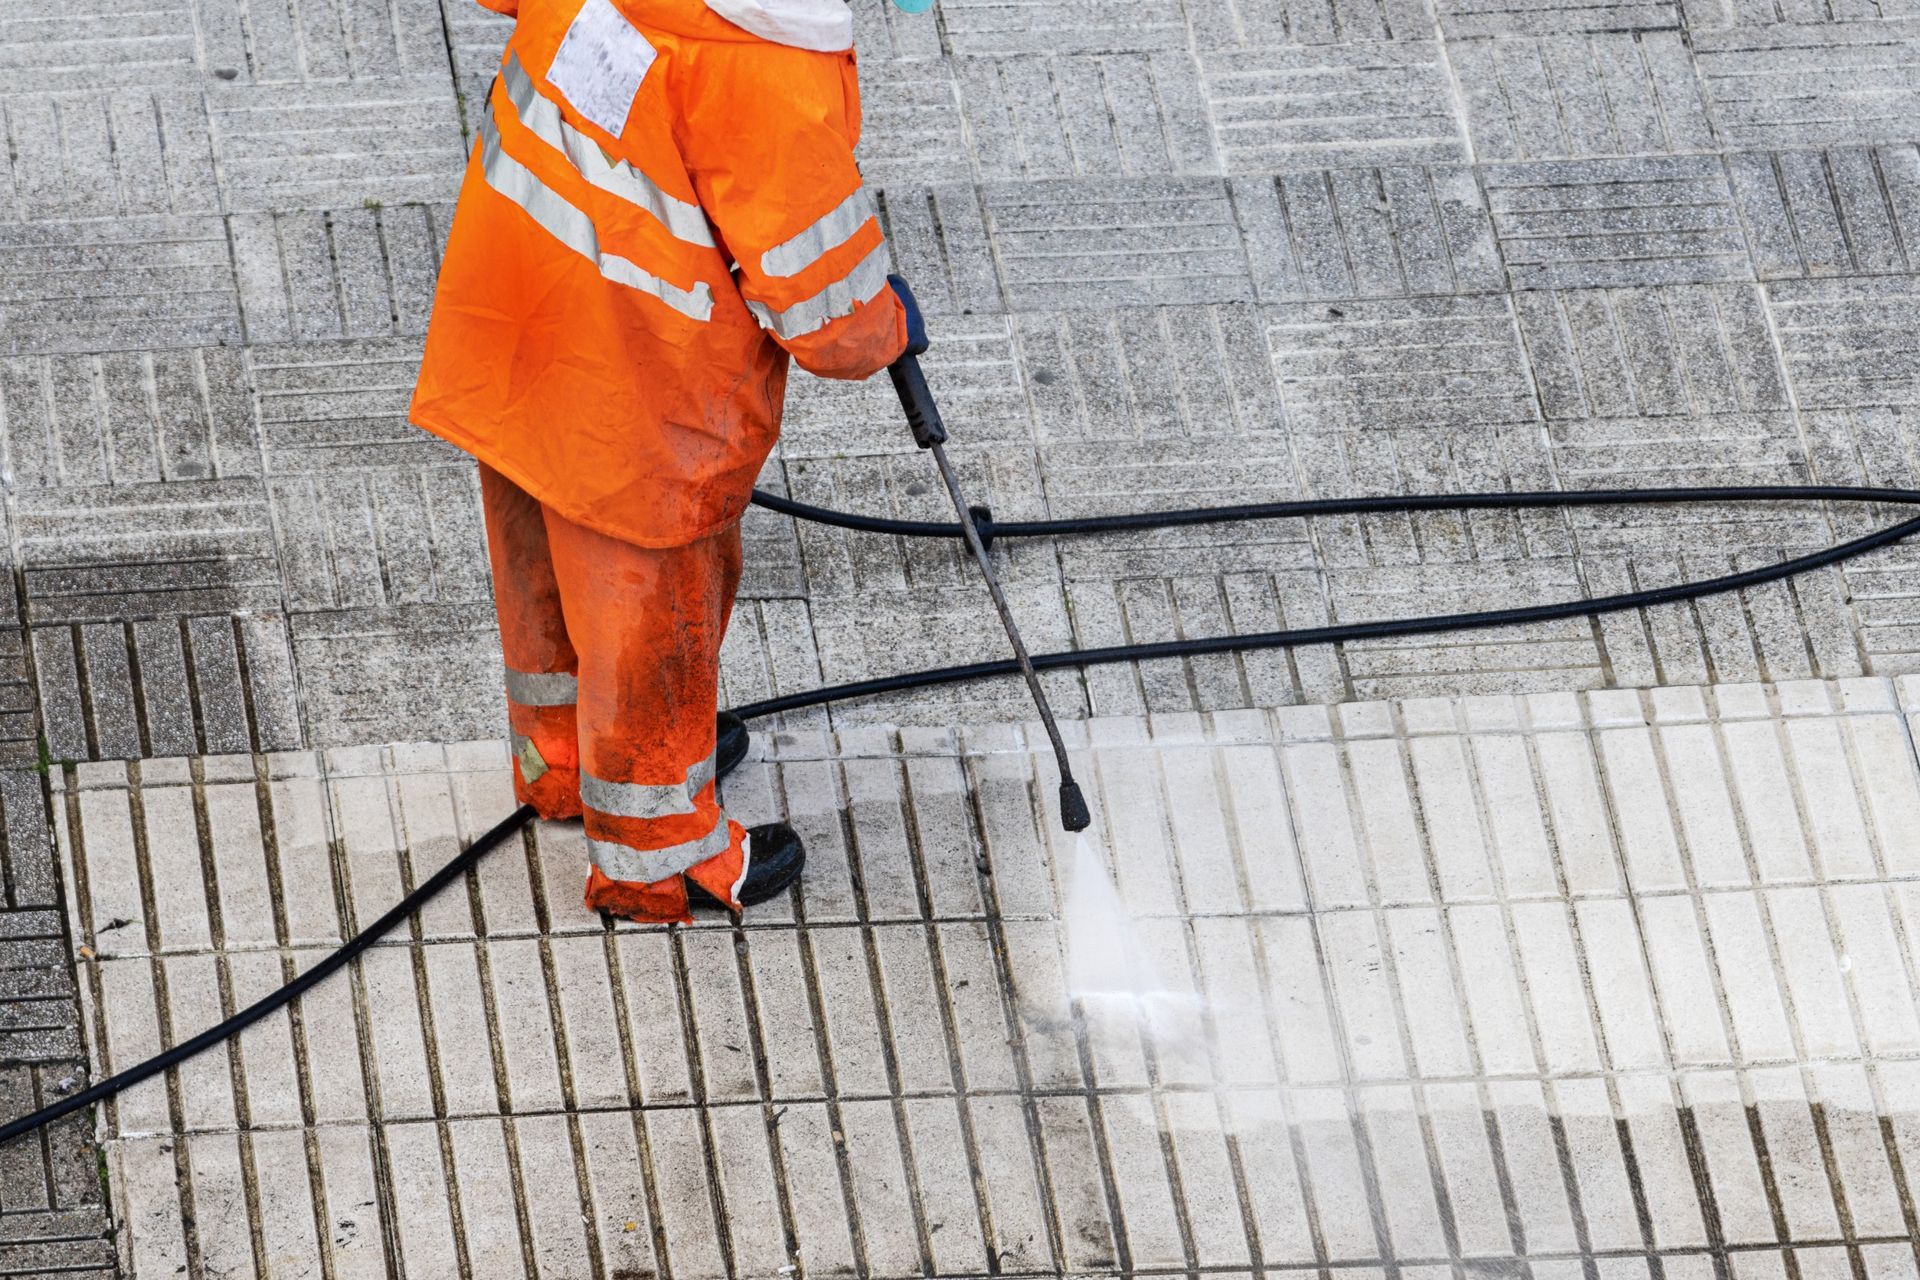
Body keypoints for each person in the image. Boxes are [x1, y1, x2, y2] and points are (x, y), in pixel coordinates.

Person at [410, 0, 920, 922]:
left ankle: (562, 759)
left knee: (540, 557)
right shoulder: (768, 68)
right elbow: (826, 316)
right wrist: (884, 319)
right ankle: (662, 856)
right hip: (642, 389)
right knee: (651, 621)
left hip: (518, 307)